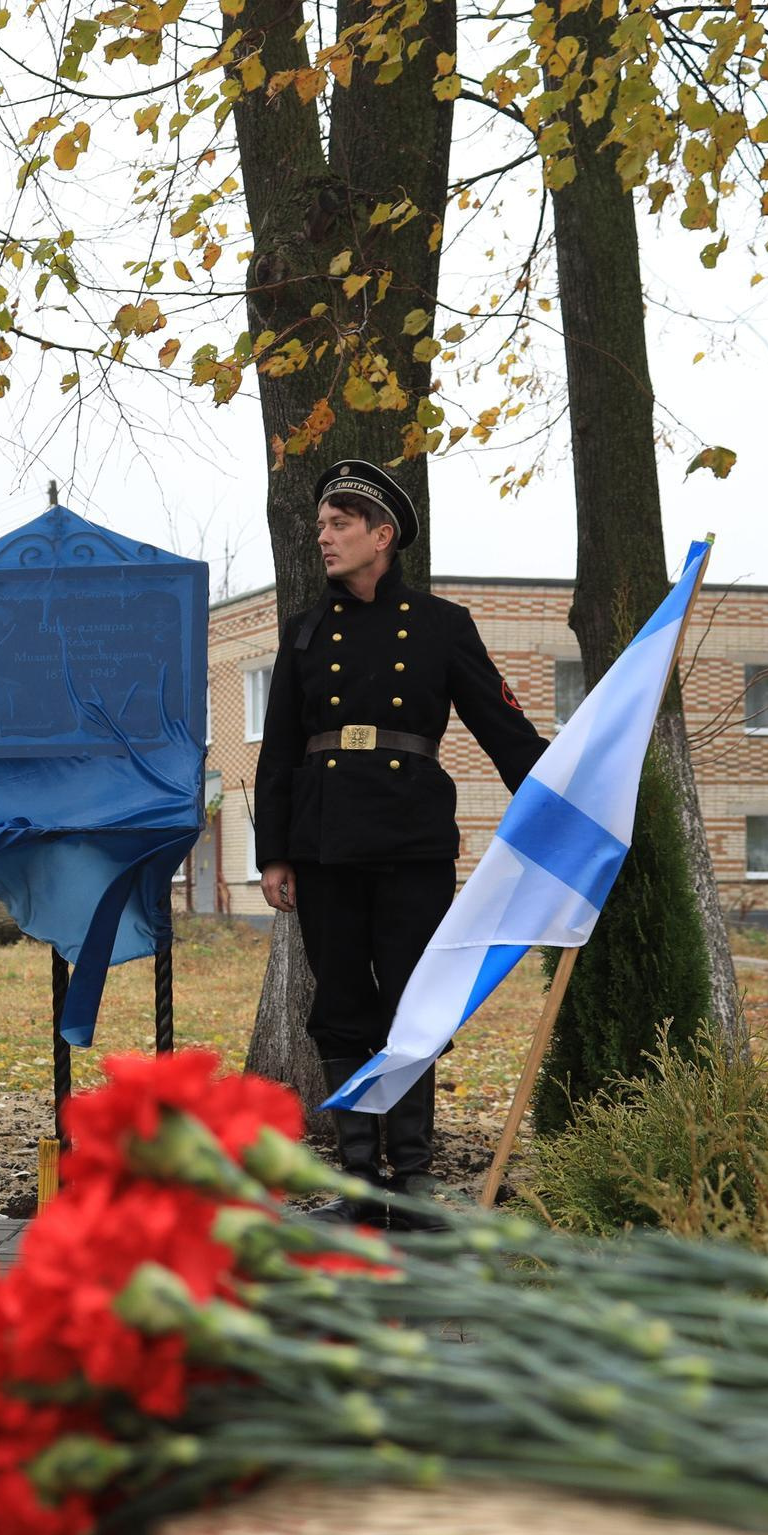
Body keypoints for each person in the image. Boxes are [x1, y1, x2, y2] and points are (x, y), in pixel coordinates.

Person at [253, 459, 547, 1224]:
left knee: (415, 1004)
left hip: (412, 841)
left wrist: (563, 798)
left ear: (382, 535)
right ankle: (360, 1185)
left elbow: (503, 726)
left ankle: (413, 1184)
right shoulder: (305, 631)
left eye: (339, 524)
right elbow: (279, 749)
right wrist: (274, 852)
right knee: (341, 1006)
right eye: (321, 525)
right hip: (324, 844)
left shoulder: (443, 625)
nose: (323, 537)